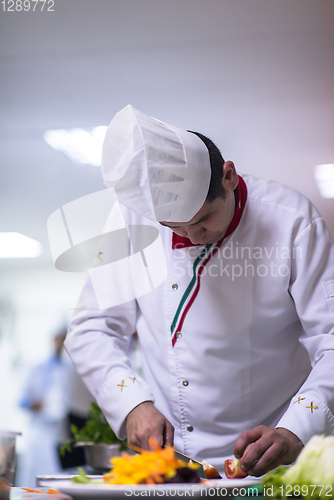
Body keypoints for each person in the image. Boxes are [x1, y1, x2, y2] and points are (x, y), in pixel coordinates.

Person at [65, 105, 334, 477]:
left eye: (203, 219)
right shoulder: (130, 218)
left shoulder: (294, 221)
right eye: (174, 227)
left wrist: (295, 429)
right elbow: (91, 327)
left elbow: (331, 338)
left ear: (229, 176)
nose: (192, 238)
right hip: (176, 463)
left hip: (276, 455)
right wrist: (131, 404)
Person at [17, 328, 71, 486]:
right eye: (59, 339)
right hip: (39, 430)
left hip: (59, 431)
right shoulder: (37, 367)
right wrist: (34, 403)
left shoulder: (69, 369)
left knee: (56, 477)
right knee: (33, 476)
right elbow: (20, 400)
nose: (61, 343)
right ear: (53, 339)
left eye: (65, 339)